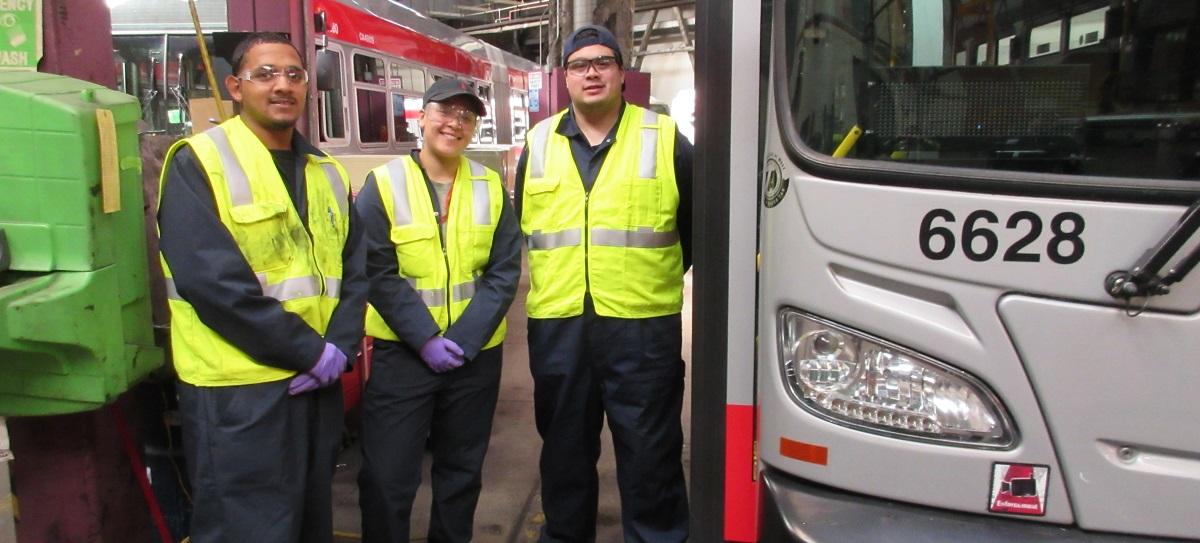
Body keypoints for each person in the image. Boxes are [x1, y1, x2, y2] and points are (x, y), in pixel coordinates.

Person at [156, 32, 366, 543]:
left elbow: (354, 269)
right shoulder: (198, 162)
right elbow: (213, 284)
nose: (282, 86)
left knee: (309, 521)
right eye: (265, 74)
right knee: (248, 527)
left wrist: (339, 348)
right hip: (239, 391)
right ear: (235, 87)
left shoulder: (326, 172)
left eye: (294, 75)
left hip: (315, 385)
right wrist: (309, 352)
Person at [514, 24, 693, 543]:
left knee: (650, 454)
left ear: (621, 73)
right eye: (579, 65)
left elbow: (695, 230)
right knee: (563, 454)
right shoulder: (538, 143)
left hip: (642, 329)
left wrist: (643, 283)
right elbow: (524, 228)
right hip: (560, 327)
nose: (591, 73)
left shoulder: (665, 139)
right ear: (565, 77)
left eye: (602, 62)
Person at [356, 77, 521, 543]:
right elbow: (375, 270)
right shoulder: (383, 184)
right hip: (404, 355)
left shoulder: (489, 186)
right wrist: (425, 338)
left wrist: (463, 340)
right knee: (387, 477)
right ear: (422, 117)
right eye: (445, 111)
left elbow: (504, 270)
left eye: (466, 116)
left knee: (461, 472)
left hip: (474, 357)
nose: (455, 123)